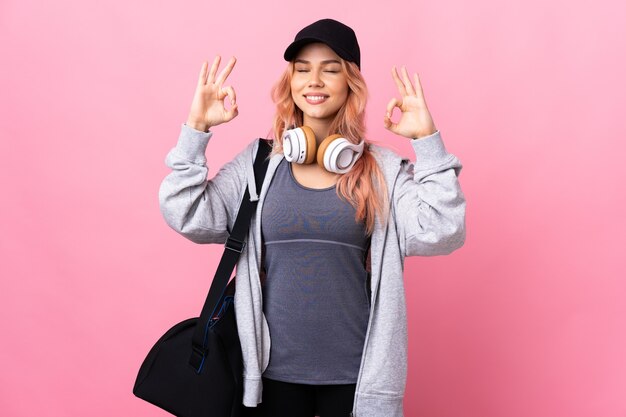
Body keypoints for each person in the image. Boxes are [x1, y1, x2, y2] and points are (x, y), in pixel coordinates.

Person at [159, 18, 466, 417]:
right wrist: (196, 130)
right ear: (291, 82)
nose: (314, 80)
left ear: (350, 81)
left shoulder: (382, 170)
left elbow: (444, 230)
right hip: (269, 380)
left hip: (357, 381)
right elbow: (186, 213)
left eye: (330, 69)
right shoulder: (259, 165)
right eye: (302, 69)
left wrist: (428, 142)